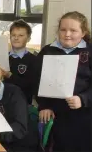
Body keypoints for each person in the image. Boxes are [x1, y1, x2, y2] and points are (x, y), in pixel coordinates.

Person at [35, 11, 91, 152]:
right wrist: (44, 105)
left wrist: (83, 99)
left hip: (83, 117)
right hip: (54, 115)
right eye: (63, 30)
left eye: (73, 30)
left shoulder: (89, 52)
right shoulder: (47, 51)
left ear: (83, 32)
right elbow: (36, 80)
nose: (67, 34)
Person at [4, 19, 37, 104]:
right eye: (13, 35)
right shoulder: (3, 57)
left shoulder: (34, 60)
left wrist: (9, 75)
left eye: (21, 35)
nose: (16, 38)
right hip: (3, 102)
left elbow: (30, 85)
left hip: (23, 104)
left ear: (28, 38)